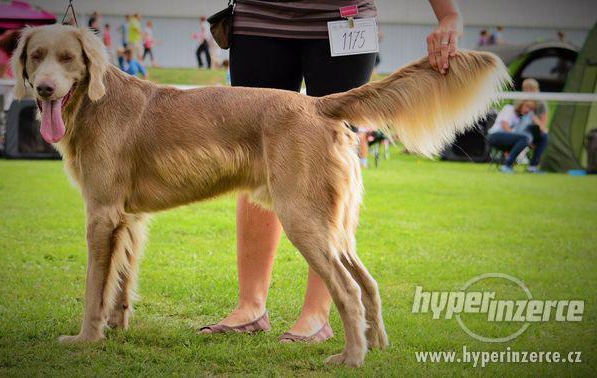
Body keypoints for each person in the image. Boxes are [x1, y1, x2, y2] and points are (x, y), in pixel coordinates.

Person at [198, 0, 463, 342]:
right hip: (258, 19)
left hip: (344, 18)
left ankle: (317, 314)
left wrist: (449, 15)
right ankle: (250, 306)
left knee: (329, 152)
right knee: (253, 156)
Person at [488, 100, 548, 173]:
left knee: (543, 137)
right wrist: (520, 139)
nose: (528, 110)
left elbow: (543, 129)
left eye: (531, 109)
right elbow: (505, 125)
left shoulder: (523, 118)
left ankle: (532, 167)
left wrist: (527, 141)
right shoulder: (509, 108)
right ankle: (506, 166)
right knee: (525, 138)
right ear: (521, 104)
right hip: (495, 136)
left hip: (511, 140)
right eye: (527, 106)